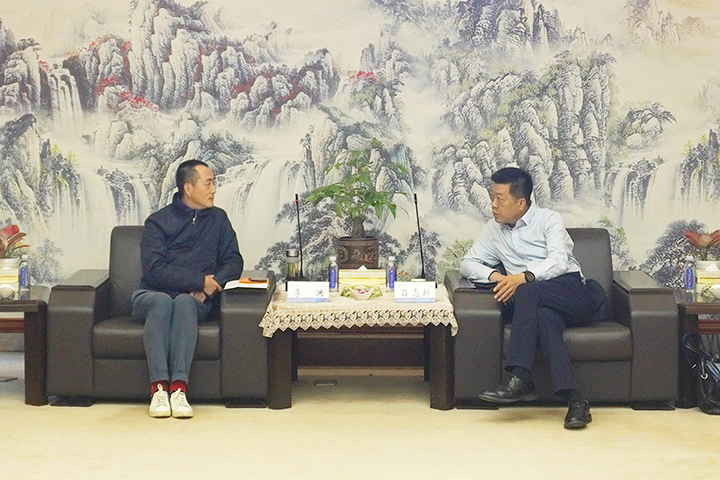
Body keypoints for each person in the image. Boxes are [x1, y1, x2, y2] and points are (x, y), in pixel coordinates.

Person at [459, 167, 596, 429]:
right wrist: (497, 277)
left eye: (500, 198)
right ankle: (576, 401)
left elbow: (559, 262)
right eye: (492, 197)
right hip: (534, 303)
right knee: (544, 319)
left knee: (527, 291)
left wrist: (523, 278)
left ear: (521, 203)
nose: (493, 204)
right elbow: (468, 263)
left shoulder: (548, 220)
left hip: (570, 293)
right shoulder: (494, 229)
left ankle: (520, 377)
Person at [132, 159, 243, 418]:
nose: (214, 189)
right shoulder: (158, 222)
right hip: (151, 295)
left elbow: (234, 261)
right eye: (208, 183)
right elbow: (154, 270)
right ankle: (159, 389)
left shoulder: (218, 219)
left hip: (195, 300)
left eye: (214, 183)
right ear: (188, 188)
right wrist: (198, 281)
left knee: (183, 303)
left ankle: (178, 389)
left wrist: (210, 287)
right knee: (162, 302)